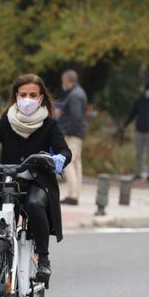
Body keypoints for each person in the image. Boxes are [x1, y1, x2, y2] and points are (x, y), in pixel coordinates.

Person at [0, 73, 72, 286]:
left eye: (33, 95)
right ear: (16, 96)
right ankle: (2, 250)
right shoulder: (6, 121)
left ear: (41, 98)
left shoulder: (49, 125)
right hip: (8, 180)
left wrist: (60, 158)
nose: (27, 99)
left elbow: (64, 149)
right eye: (23, 94)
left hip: (37, 182)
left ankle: (43, 259)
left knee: (35, 205)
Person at [57, 69, 87, 205]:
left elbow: (75, 116)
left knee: (68, 161)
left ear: (67, 81)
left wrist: (65, 130)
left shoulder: (74, 95)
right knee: (76, 163)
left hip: (72, 133)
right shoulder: (79, 93)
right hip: (78, 133)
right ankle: (76, 192)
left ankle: (73, 195)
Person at [122, 83, 149, 182]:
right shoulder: (139, 101)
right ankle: (138, 173)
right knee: (138, 153)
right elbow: (133, 113)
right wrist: (126, 124)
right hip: (139, 130)